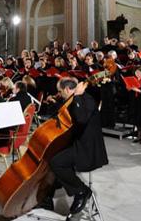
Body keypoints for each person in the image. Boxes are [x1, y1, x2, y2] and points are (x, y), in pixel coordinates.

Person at [37, 78, 108, 216]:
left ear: (68, 90)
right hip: (76, 143)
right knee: (52, 157)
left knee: (56, 162)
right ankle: (47, 197)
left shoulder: (86, 99)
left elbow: (81, 118)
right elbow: (64, 114)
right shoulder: (72, 100)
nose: (59, 94)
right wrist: (56, 103)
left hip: (87, 149)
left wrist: (77, 96)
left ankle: (81, 190)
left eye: (60, 91)